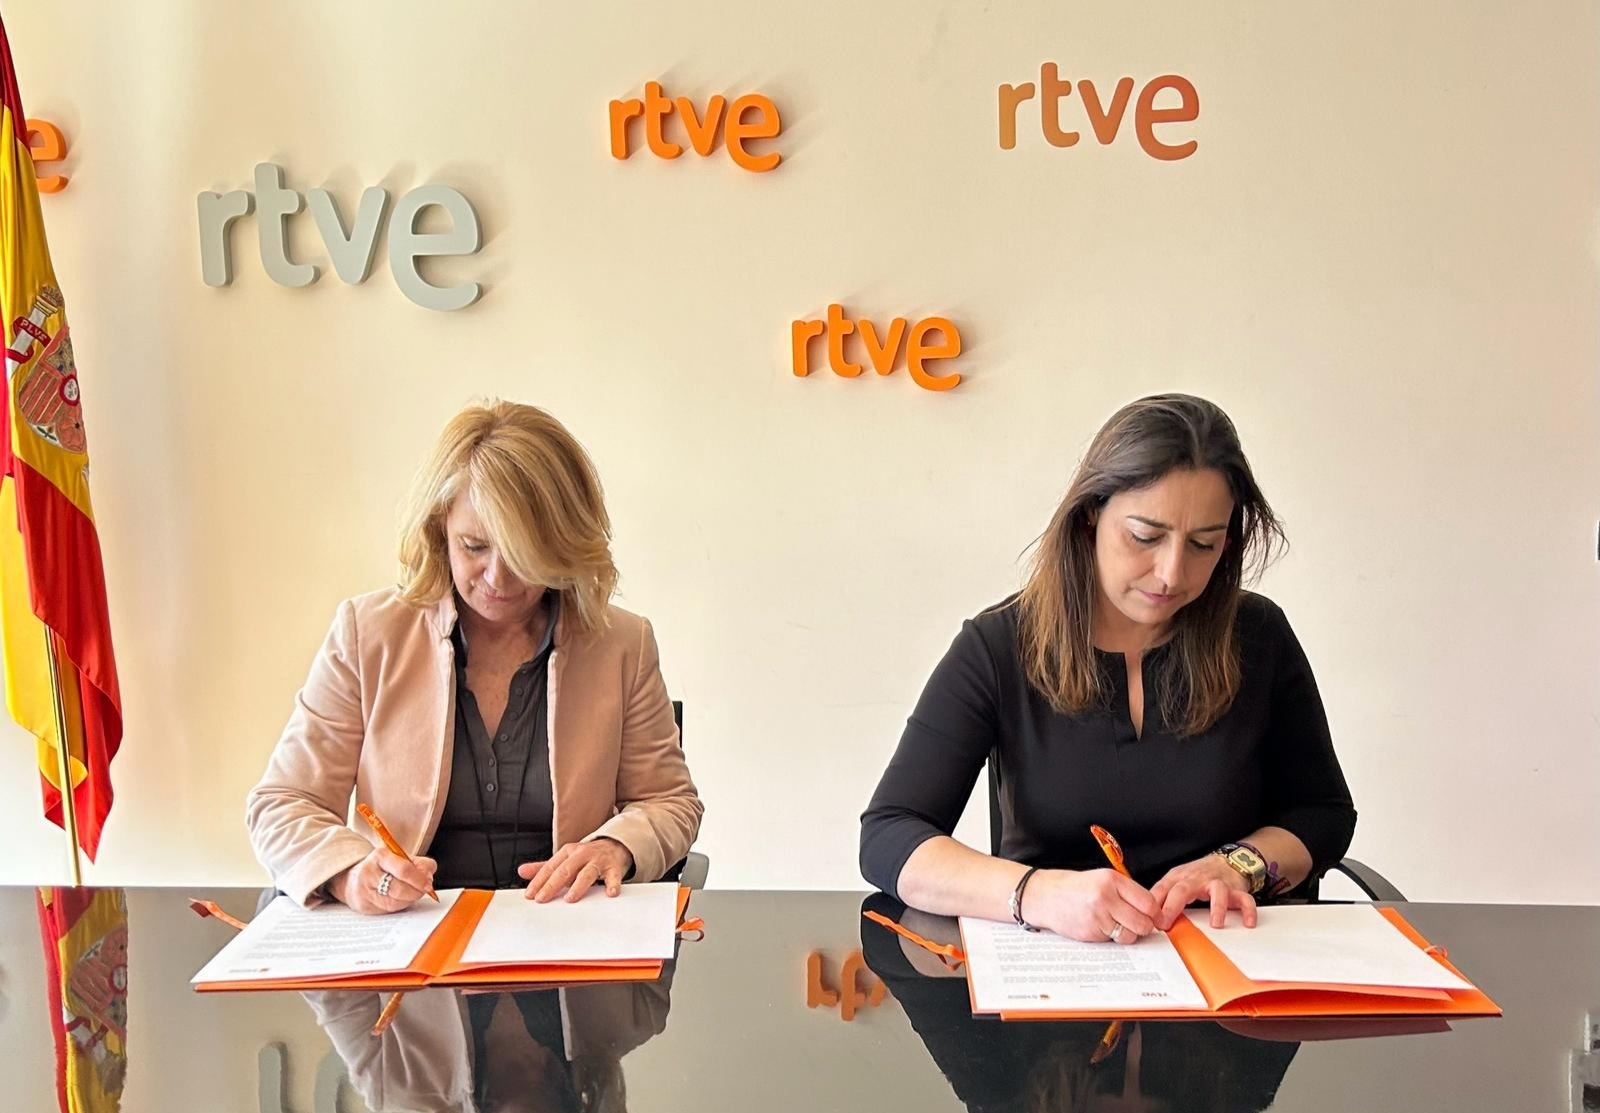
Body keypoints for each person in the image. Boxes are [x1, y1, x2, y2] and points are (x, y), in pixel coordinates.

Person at [859, 394, 1355, 943]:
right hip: (1060, 964)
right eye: (1144, 536)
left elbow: (1323, 812)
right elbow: (890, 835)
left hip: (1228, 959)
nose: (1171, 573)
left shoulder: (1258, 636)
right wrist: (1037, 893)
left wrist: (1238, 865)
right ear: (1091, 512)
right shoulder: (1000, 646)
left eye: (1203, 544)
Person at [248, 400, 702, 912]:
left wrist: (615, 846)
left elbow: (670, 802)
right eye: (474, 546)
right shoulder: (368, 634)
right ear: (440, 527)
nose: (497, 578)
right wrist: (349, 875)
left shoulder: (622, 644)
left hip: (565, 928)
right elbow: (283, 804)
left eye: (524, 554)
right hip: (411, 932)